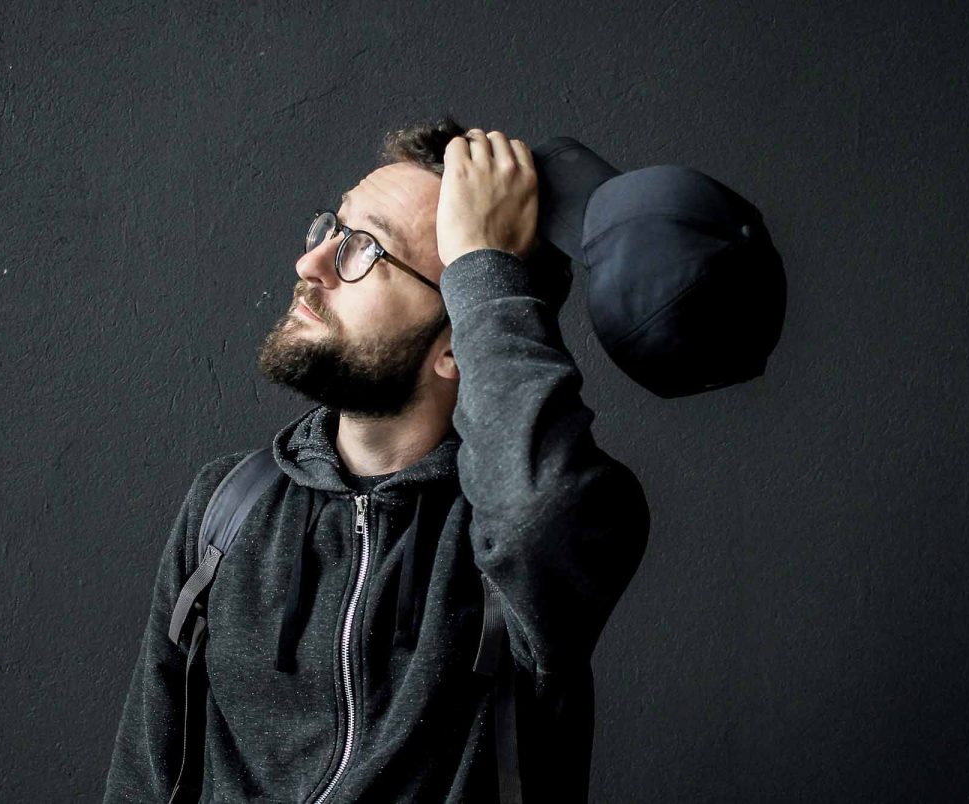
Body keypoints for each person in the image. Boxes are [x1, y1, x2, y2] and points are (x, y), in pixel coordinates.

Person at [102, 117, 650, 803]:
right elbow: (143, 779)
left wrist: (485, 264)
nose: (311, 265)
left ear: (459, 340)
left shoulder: (542, 534)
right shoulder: (227, 508)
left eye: (365, 248)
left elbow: (537, 509)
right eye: (331, 229)